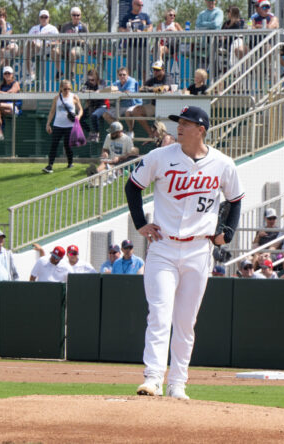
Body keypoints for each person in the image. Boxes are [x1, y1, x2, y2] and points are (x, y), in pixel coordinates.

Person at [126, 105, 244, 400]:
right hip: (163, 246)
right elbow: (132, 187)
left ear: (201, 129)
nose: (179, 127)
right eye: (178, 122)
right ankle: (153, 378)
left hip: (199, 249)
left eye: (186, 123)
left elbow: (236, 199)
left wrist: (227, 232)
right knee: (160, 314)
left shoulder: (222, 163)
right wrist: (141, 224)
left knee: (186, 321)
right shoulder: (159, 157)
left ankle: (178, 384)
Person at [43, 79, 83, 173]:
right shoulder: (57, 98)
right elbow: (52, 111)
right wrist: (48, 123)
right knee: (54, 145)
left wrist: (78, 116)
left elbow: (80, 109)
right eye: (65, 89)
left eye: (69, 88)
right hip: (58, 124)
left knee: (67, 145)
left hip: (70, 125)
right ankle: (50, 165)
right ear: (61, 88)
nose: (67, 91)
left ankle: (70, 163)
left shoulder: (74, 97)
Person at [128, 60, 171, 138]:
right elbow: (142, 88)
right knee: (136, 111)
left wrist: (150, 89)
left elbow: (164, 88)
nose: (155, 72)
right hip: (154, 105)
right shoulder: (153, 79)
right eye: (154, 70)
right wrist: (151, 89)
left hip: (167, 107)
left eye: (157, 70)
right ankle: (151, 133)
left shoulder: (167, 77)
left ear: (163, 70)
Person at [118, 0, 153, 80]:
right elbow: (120, 28)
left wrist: (144, 31)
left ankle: (145, 86)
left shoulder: (145, 16)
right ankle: (130, 86)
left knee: (145, 68)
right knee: (130, 68)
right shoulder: (127, 16)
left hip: (144, 45)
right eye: (139, 5)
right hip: (131, 46)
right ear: (133, 4)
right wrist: (127, 31)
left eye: (142, 5)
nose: (140, 7)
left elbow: (150, 26)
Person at [24, 10, 60, 84]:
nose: (44, 19)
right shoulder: (34, 28)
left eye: (45, 17)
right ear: (39, 18)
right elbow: (28, 39)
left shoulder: (53, 29)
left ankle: (59, 71)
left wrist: (49, 44)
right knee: (28, 44)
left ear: (49, 18)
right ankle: (31, 74)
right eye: (42, 17)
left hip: (48, 48)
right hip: (35, 48)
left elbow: (57, 41)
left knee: (52, 49)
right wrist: (33, 42)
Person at [102, 67, 141, 131]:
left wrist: (117, 92)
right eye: (120, 75)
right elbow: (109, 89)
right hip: (120, 106)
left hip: (133, 105)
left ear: (127, 75)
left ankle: (130, 132)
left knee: (127, 113)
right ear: (118, 76)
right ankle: (121, 130)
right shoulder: (117, 83)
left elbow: (128, 92)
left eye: (124, 74)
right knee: (105, 115)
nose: (122, 76)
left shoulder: (132, 80)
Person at [59, 7, 89, 81]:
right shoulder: (65, 26)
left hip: (78, 47)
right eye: (74, 15)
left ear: (80, 16)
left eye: (78, 15)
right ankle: (59, 71)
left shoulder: (83, 27)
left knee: (72, 52)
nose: (76, 17)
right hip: (65, 46)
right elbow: (60, 38)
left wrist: (77, 40)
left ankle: (72, 73)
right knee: (54, 51)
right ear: (71, 15)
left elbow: (86, 40)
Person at [81, 69, 108, 143]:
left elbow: (99, 91)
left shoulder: (102, 82)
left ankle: (97, 133)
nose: (91, 81)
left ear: (96, 78)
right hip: (92, 105)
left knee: (94, 115)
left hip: (102, 106)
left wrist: (89, 91)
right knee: (79, 118)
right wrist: (89, 91)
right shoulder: (88, 83)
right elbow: (82, 90)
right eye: (89, 79)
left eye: (93, 80)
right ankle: (91, 132)